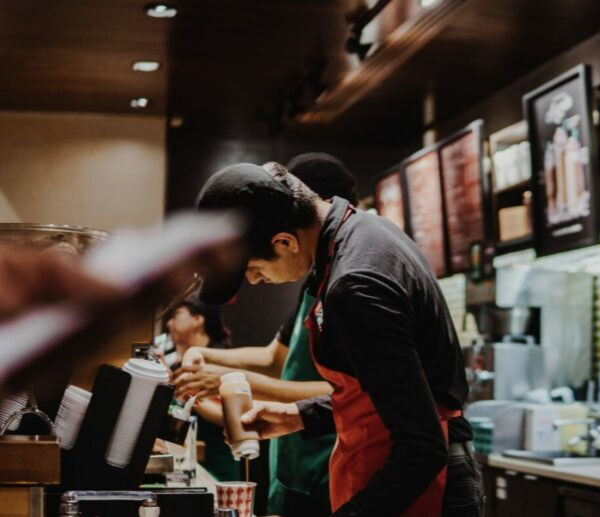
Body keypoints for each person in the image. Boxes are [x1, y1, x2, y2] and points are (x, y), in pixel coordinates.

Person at [194, 161, 484, 516]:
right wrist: (299, 415)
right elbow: (392, 395)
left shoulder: (356, 284)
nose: (254, 280)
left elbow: (421, 448)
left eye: (253, 269)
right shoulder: (364, 231)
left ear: (284, 242)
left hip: (424, 489)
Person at [174, 154, 358, 516]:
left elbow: (356, 394)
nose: (255, 280)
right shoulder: (315, 281)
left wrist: (230, 378)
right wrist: (207, 357)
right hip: (292, 463)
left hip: (329, 461)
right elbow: (277, 358)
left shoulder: (353, 282)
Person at [158, 296, 240, 481]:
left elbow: (230, 417)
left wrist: (185, 393)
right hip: (185, 464)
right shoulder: (177, 363)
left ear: (198, 319)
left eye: (176, 315)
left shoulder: (220, 360)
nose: (169, 323)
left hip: (218, 464)